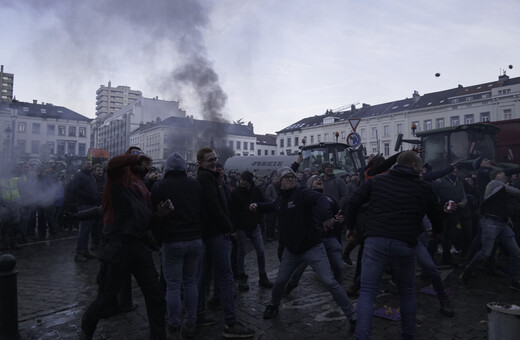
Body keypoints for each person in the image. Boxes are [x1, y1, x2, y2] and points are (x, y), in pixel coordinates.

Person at [346, 151, 444, 340]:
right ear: (414, 166)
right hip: (405, 243)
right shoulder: (423, 187)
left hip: (375, 241)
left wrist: (351, 227)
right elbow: (436, 214)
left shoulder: (377, 182)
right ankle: (408, 335)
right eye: (420, 166)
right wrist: (435, 231)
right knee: (407, 292)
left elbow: (353, 201)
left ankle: (362, 336)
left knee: (367, 293)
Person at [79, 148, 171, 340]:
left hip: (138, 244)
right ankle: (87, 328)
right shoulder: (118, 175)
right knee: (106, 298)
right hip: (118, 244)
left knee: (154, 294)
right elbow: (112, 164)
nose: (142, 160)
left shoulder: (143, 186)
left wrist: (159, 215)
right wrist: (135, 157)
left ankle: (158, 335)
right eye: (137, 156)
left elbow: (145, 219)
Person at [252, 167, 356, 327]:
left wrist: (327, 216)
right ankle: (273, 305)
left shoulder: (302, 193)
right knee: (279, 282)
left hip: (312, 247)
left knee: (329, 281)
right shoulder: (280, 200)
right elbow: (270, 206)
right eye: (286, 177)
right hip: (292, 251)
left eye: (292, 177)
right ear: (280, 181)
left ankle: (351, 315)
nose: (290, 179)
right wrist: (256, 206)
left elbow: (320, 199)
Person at [195, 147, 255, 339]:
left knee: (204, 277)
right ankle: (231, 322)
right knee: (226, 277)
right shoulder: (206, 178)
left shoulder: (212, 177)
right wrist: (229, 227)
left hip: (211, 234)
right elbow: (214, 206)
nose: (213, 162)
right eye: (209, 160)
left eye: (214, 158)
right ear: (200, 163)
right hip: (216, 234)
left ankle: (198, 314)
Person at [151, 152, 204, 339]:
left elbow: (154, 216)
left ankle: (173, 324)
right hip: (195, 239)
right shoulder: (195, 185)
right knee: (190, 282)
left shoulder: (159, 186)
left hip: (172, 240)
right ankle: (191, 321)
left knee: (173, 285)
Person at [283, 174, 345, 295]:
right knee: (300, 266)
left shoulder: (330, 199)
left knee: (338, 265)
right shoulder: (303, 200)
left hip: (329, 238)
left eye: (320, 179)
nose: (319, 180)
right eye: (315, 179)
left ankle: (338, 289)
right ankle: (291, 284)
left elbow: (338, 216)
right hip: (311, 241)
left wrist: (340, 220)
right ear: (309, 185)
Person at [462, 173, 520, 290]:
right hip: (490, 221)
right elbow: (517, 192)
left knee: (516, 252)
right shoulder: (496, 183)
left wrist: (507, 217)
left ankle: (515, 280)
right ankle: (469, 269)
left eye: (504, 174)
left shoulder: (501, 190)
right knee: (485, 252)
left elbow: (501, 205)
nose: (504, 175)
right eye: (500, 173)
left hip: (501, 223)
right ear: (494, 176)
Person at [230, 171, 273, 291]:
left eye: (244, 179)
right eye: (241, 179)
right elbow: (232, 211)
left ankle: (262, 276)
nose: (242, 181)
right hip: (241, 227)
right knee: (242, 251)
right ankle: (241, 276)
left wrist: (257, 207)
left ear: (249, 180)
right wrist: (233, 229)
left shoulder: (256, 190)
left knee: (260, 250)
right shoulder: (236, 193)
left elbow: (263, 202)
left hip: (254, 226)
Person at [72, 160, 98, 262]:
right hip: (83, 205)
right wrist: (88, 196)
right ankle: (78, 253)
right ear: (82, 165)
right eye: (87, 164)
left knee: (88, 230)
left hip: (91, 205)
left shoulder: (91, 176)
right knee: (83, 230)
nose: (89, 166)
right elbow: (75, 189)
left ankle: (85, 251)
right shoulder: (79, 176)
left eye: (90, 164)